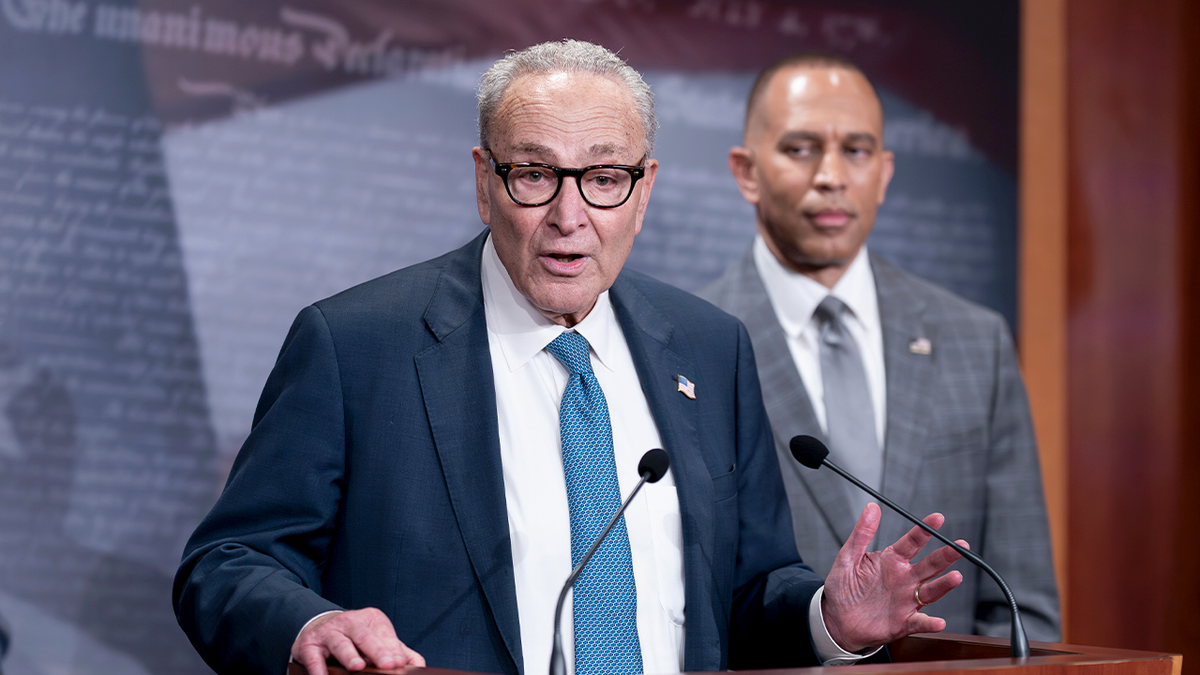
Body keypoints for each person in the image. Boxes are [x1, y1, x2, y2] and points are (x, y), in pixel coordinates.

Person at [173, 41, 969, 675]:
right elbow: (225, 563)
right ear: (484, 182)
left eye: (603, 176)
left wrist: (827, 619)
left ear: (645, 188)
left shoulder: (709, 348)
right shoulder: (356, 346)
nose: (569, 214)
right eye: (534, 174)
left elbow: (748, 590)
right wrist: (312, 622)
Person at [699, 53, 1061, 641]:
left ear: (886, 172)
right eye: (799, 148)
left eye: (857, 151)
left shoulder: (975, 340)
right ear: (746, 171)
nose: (832, 175)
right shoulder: (694, 346)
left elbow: (1023, 610)